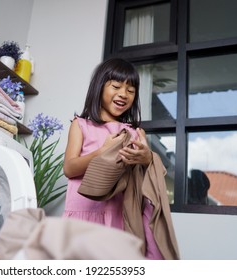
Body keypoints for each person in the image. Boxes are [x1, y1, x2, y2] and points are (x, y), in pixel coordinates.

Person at [62, 57, 163, 259]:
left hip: (120, 216)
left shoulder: (135, 133)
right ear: (99, 87)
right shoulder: (81, 125)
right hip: (85, 214)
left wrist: (146, 159)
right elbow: (69, 168)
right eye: (116, 86)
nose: (123, 94)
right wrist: (101, 152)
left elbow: (146, 182)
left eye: (131, 90)